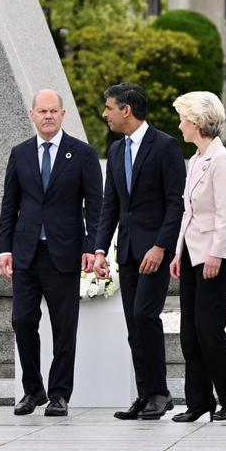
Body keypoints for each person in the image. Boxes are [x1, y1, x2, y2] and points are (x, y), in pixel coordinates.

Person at [0, 89, 102, 417]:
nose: (47, 116)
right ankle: (33, 390)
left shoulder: (82, 154)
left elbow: (96, 206)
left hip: (64, 252)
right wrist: (4, 249)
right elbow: (9, 204)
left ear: (62, 114)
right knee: (22, 320)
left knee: (63, 326)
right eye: (41, 111)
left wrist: (90, 247)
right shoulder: (20, 154)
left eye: (53, 111)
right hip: (26, 251)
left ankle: (59, 394)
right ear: (32, 115)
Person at [93, 82, 185, 421]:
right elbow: (111, 205)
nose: (105, 114)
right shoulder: (116, 151)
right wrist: (100, 249)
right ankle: (145, 395)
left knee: (147, 316)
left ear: (126, 109)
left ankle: (160, 393)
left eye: (109, 107)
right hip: (127, 252)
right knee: (134, 324)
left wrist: (161, 247)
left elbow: (176, 203)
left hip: (154, 252)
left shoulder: (166, 146)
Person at [169, 91, 226, 422]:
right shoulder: (196, 159)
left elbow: (225, 215)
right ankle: (199, 402)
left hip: (216, 257)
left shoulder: (222, 160)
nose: (180, 124)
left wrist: (214, 255)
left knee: (209, 330)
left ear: (197, 122)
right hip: (191, 254)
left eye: (183, 118)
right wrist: (177, 253)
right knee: (190, 332)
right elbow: (188, 213)